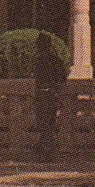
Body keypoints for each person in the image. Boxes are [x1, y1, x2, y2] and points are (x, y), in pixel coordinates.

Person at [33, 32, 68, 160]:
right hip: (52, 93)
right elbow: (63, 78)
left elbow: (38, 79)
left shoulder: (39, 60)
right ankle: (49, 150)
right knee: (50, 123)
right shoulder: (56, 60)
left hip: (43, 93)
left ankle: (46, 150)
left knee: (44, 123)